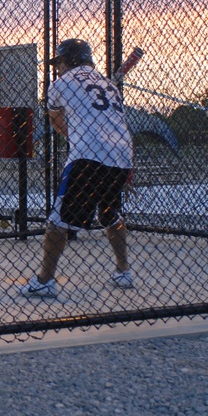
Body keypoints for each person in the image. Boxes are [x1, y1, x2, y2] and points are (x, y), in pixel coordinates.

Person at [21, 38, 135, 297]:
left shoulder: (60, 85)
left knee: (57, 220)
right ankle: (123, 271)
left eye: (59, 61)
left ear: (69, 60)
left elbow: (58, 123)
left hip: (87, 156)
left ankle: (45, 280)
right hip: (121, 154)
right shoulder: (109, 86)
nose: (57, 67)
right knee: (110, 214)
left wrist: (74, 133)